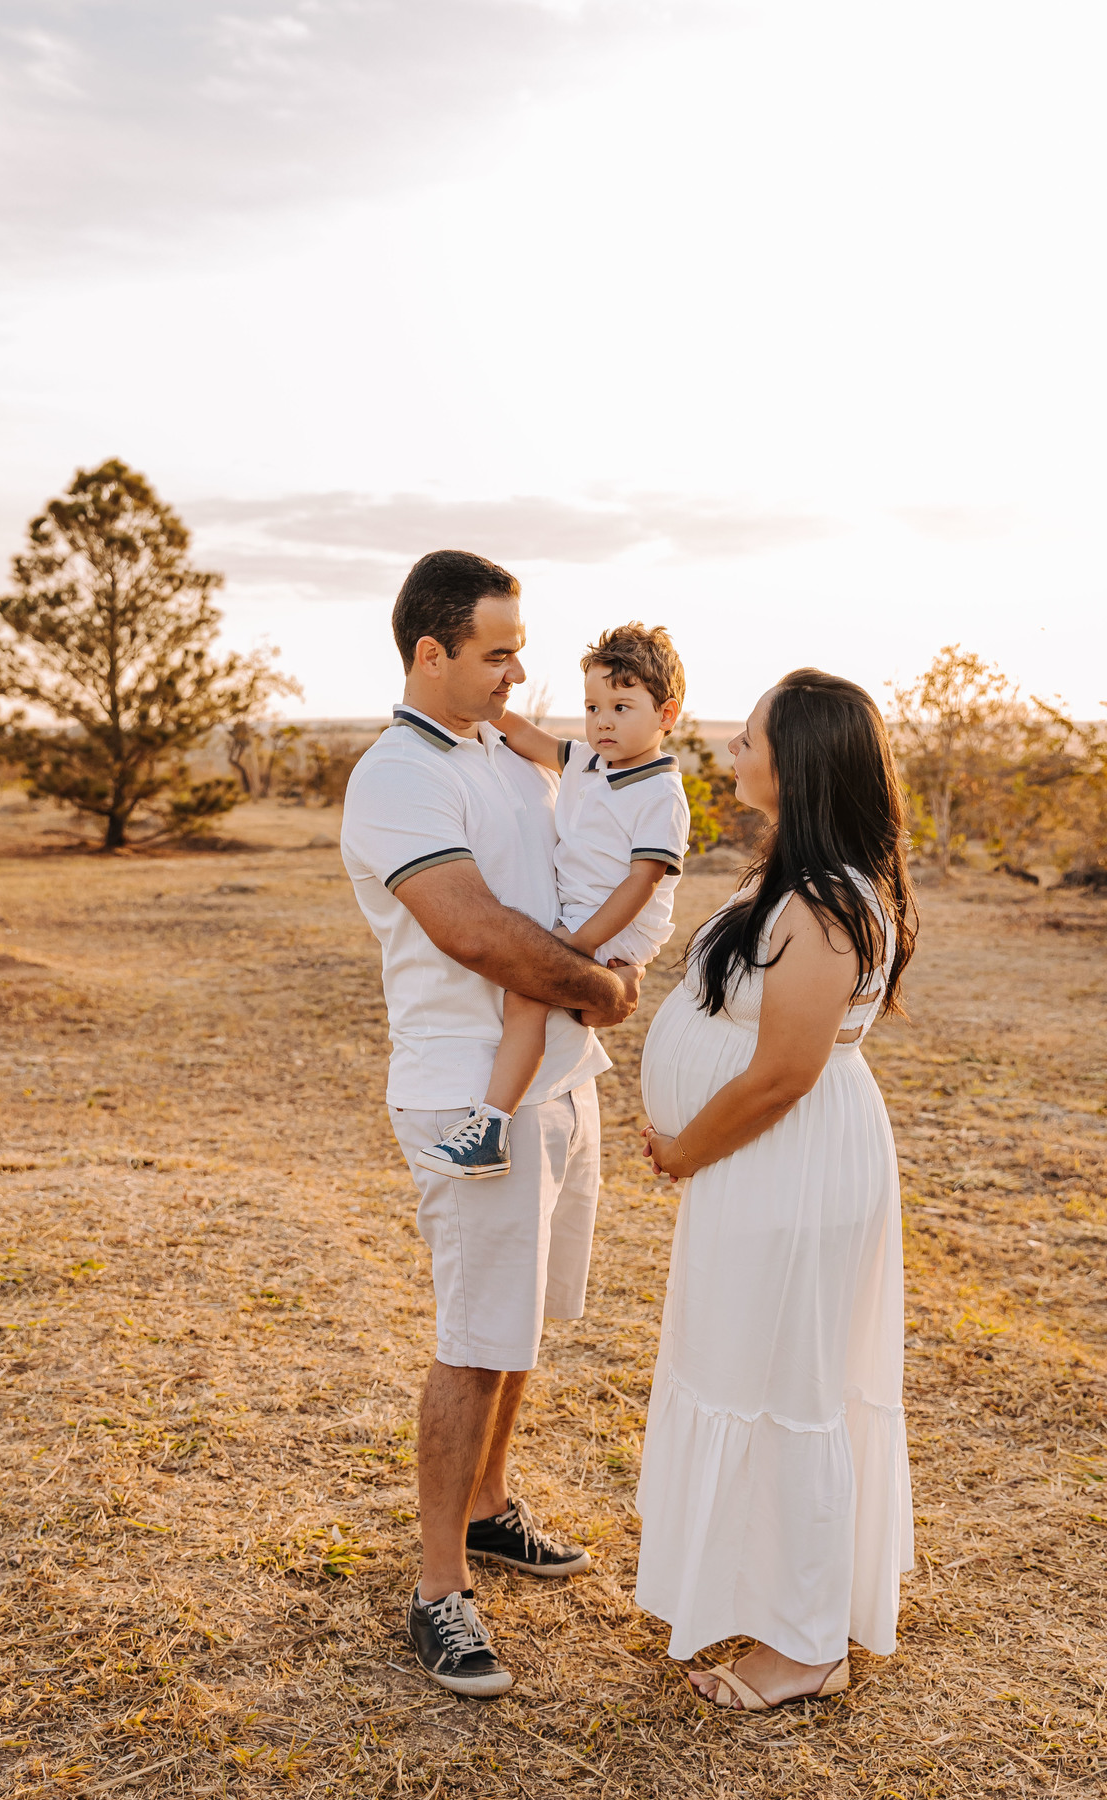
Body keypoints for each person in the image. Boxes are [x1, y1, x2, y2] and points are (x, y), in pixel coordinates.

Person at [340, 550, 643, 1698]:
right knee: (473, 1339)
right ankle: (438, 1588)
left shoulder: (499, 751)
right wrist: (602, 986)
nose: (519, 671)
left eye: (520, 648)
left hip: (561, 1078)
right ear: (432, 653)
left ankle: (487, 1506)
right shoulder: (397, 777)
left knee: (519, 1326)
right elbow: (471, 927)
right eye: (498, 652)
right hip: (471, 1091)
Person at [635, 669, 917, 1712]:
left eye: (748, 738)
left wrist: (685, 1149)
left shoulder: (829, 902)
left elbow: (784, 1073)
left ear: (795, 763)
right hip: (764, 1163)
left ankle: (806, 1647)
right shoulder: (798, 880)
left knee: (788, 1384)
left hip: (789, 1161)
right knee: (753, 1369)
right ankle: (776, 1601)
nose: (733, 750)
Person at [415, 621, 690, 1180]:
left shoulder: (660, 793)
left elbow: (642, 882)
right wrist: (479, 704)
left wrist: (579, 943)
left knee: (528, 992)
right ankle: (498, 1120)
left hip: (616, 924)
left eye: (621, 707)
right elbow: (525, 734)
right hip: (580, 916)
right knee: (552, 1000)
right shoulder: (588, 762)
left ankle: (491, 1128)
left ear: (666, 715)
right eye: (592, 707)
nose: (603, 721)